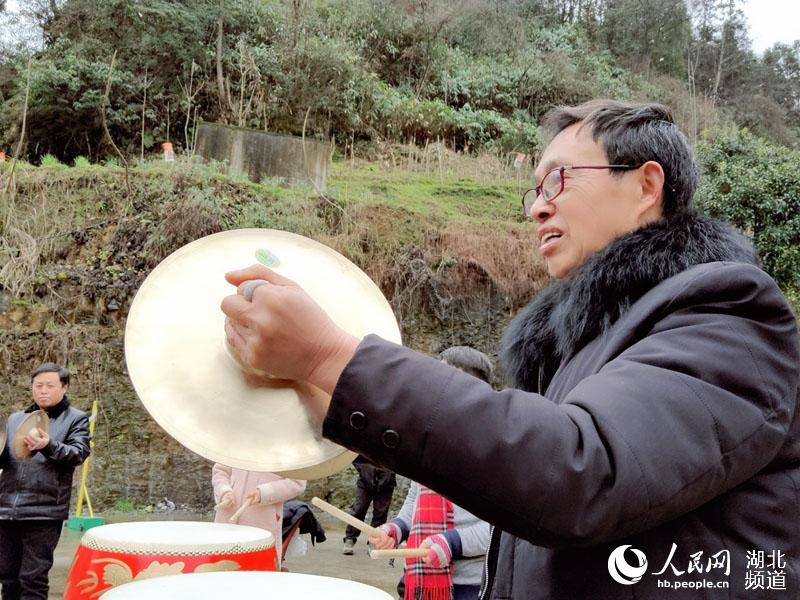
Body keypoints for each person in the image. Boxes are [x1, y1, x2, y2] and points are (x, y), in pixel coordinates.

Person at [221, 100, 800, 598]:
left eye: (559, 179)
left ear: (646, 185)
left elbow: (580, 470)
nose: (536, 207)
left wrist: (331, 355)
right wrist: (323, 392)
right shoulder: (582, 349)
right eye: (534, 186)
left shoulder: (727, 314)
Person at [369, 346, 492, 600]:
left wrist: (451, 542)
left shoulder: (491, 449)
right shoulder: (426, 442)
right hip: (419, 579)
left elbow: (497, 530)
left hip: (466, 587)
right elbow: (415, 501)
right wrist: (397, 529)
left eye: (445, 383)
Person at [0, 363, 90, 600]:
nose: (43, 390)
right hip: (6, 508)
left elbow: (78, 453)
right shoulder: (15, 419)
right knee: (7, 576)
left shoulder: (76, 419)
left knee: (33, 578)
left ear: (64, 387)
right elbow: (6, 458)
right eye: (38, 385)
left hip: (44, 511)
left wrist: (48, 445)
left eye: (50, 385)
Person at [211, 464, 306, 565]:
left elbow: (297, 482)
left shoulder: (287, 449)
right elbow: (220, 471)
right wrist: (224, 491)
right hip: (226, 518)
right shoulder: (232, 447)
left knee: (256, 571)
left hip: (262, 521)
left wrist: (264, 492)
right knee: (220, 570)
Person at [342, 455, 396, 555]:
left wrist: (390, 473)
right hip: (365, 481)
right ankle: (350, 538)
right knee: (359, 509)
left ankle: (374, 541)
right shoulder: (366, 440)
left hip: (387, 482)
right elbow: (354, 455)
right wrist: (363, 470)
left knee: (380, 514)